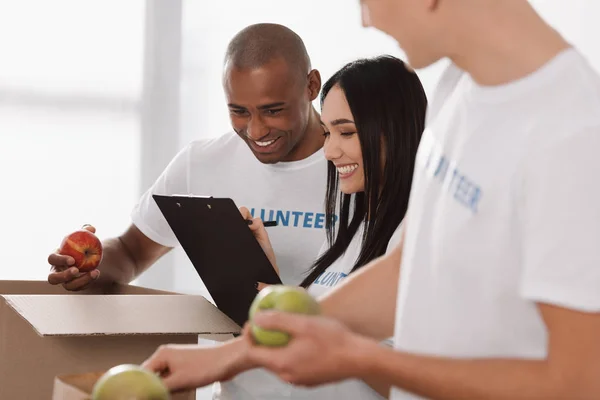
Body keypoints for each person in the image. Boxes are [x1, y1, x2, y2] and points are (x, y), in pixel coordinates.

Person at [143, 0, 600, 399]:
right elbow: (408, 268)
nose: (366, 18)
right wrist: (234, 354)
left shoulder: (571, 133)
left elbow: (578, 383)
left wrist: (363, 360)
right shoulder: (459, 88)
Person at [46, 23, 328, 290]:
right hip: (228, 342)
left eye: (273, 110)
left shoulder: (360, 165)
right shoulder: (202, 163)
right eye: (239, 112)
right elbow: (131, 252)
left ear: (312, 86)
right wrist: (84, 268)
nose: (255, 131)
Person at [221, 55, 426, 399]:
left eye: (346, 132)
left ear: (393, 128)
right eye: (328, 132)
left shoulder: (417, 237)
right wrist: (273, 285)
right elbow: (318, 323)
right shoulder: (350, 226)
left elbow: (412, 380)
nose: (330, 151)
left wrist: (324, 339)